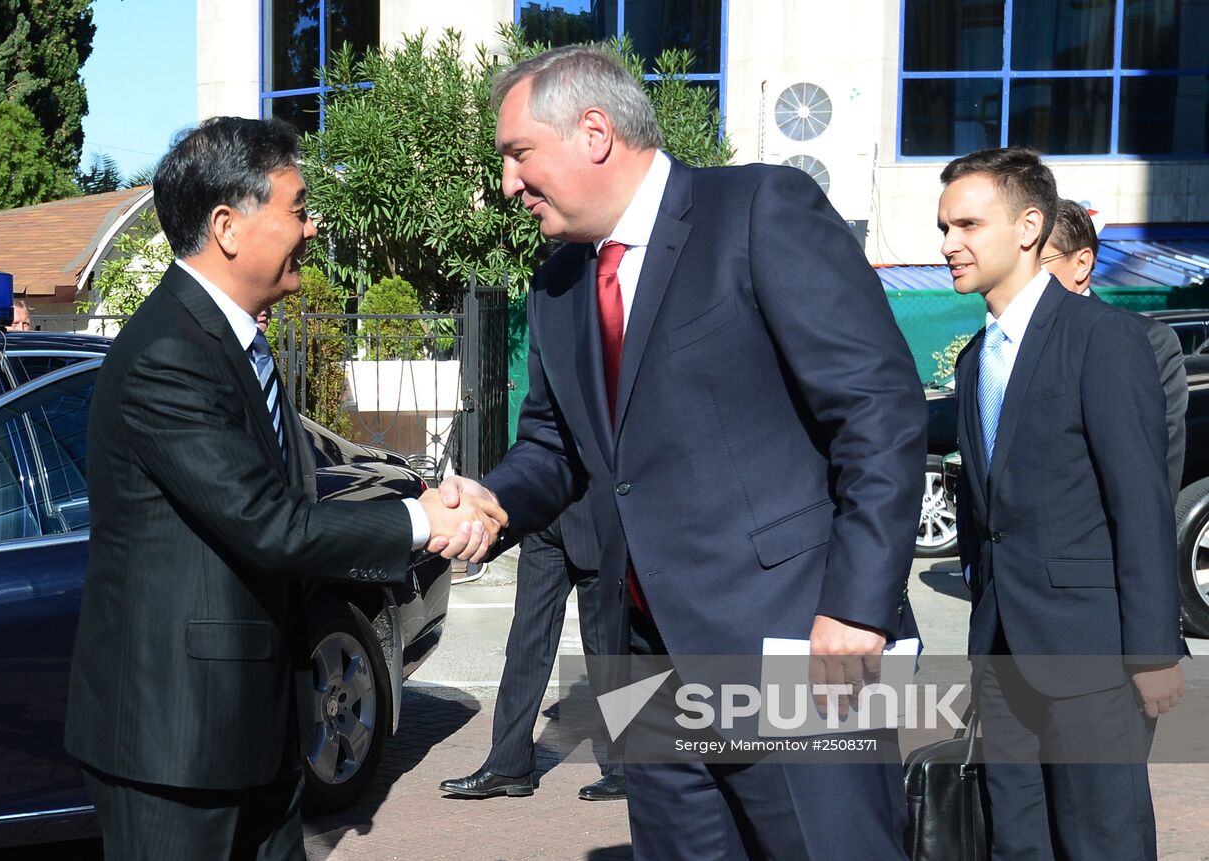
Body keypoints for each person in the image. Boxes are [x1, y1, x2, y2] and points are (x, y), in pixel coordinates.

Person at [437, 45, 927, 859]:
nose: (508, 184)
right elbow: (554, 446)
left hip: (805, 649)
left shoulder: (760, 209)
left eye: (518, 154)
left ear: (594, 132)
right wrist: (492, 503)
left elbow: (876, 409)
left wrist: (857, 608)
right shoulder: (556, 289)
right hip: (649, 663)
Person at [64, 116, 506, 861]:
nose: (312, 225)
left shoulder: (236, 339)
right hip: (179, 746)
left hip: (258, 731)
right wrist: (420, 521)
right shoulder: (168, 352)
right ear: (228, 226)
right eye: (298, 207)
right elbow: (267, 523)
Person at [940, 147, 1185, 861]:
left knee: (1102, 842)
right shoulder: (971, 360)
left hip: (1094, 657)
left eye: (966, 224)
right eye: (943, 226)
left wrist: (1150, 650)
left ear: (1028, 227)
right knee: (1018, 844)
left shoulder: (1102, 339)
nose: (948, 243)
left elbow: (1138, 500)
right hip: (1002, 656)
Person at [439, 498, 626, 801]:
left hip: (600, 521)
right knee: (525, 644)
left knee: (608, 650)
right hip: (543, 522)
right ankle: (508, 765)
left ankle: (628, 769)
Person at [1043, 198, 1187, 493]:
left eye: (1036, 264)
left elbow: (1159, 468)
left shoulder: (1149, 341)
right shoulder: (993, 346)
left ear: (1082, 263)